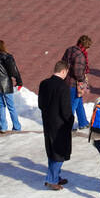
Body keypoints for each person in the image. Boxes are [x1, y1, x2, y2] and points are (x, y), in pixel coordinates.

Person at [38, 61, 74, 189]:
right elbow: (65, 110)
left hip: (47, 122)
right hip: (60, 125)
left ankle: (55, 176)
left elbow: (40, 104)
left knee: (51, 150)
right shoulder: (63, 87)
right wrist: (70, 121)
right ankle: (52, 179)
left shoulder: (44, 84)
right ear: (63, 71)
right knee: (59, 152)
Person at [62, 34, 92, 130]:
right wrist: (83, 79)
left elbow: (62, 62)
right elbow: (78, 72)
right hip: (74, 83)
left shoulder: (70, 49)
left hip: (66, 80)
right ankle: (67, 125)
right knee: (73, 104)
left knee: (79, 101)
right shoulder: (80, 56)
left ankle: (83, 122)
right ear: (85, 46)